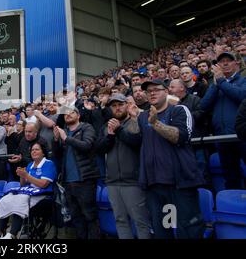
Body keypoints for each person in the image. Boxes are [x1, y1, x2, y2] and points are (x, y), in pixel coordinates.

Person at [136, 79, 205, 239]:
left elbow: (180, 137)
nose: (152, 93)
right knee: (164, 231)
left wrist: (156, 123)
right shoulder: (142, 117)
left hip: (179, 184)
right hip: (155, 185)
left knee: (188, 230)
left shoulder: (179, 110)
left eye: (156, 89)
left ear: (166, 92)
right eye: (148, 91)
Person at [96, 94, 151, 239]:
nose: (117, 108)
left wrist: (119, 130)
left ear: (127, 105)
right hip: (113, 181)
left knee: (141, 222)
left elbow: (136, 141)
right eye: (113, 106)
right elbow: (99, 150)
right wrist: (110, 135)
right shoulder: (106, 127)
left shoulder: (135, 121)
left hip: (133, 181)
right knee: (120, 221)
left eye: (120, 104)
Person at [0, 142, 57, 239]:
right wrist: (22, 176)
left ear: (43, 152)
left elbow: (43, 184)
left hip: (43, 195)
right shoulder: (30, 164)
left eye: (37, 149)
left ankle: (12, 235)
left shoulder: (48, 164)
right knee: (6, 199)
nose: (34, 151)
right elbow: (23, 185)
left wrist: (26, 175)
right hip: (29, 192)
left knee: (20, 201)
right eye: (32, 150)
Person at [200, 52, 246, 189]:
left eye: (228, 61)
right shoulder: (215, 84)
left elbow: (242, 96)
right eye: (221, 62)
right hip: (222, 137)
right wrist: (215, 84)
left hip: (242, 136)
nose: (225, 63)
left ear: (236, 63)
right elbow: (204, 105)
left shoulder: (243, 81)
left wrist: (221, 82)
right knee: (230, 176)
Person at [52, 107, 99, 239]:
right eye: (65, 113)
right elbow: (57, 155)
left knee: (90, 216)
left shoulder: (86, 128)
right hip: (68, 182)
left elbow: (87, 146)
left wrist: (66, 138)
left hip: (85, 179)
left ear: (78, 116)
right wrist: (56, 140)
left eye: (71, 112)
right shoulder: (64, 132)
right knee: (76, 218)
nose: (67, 115)